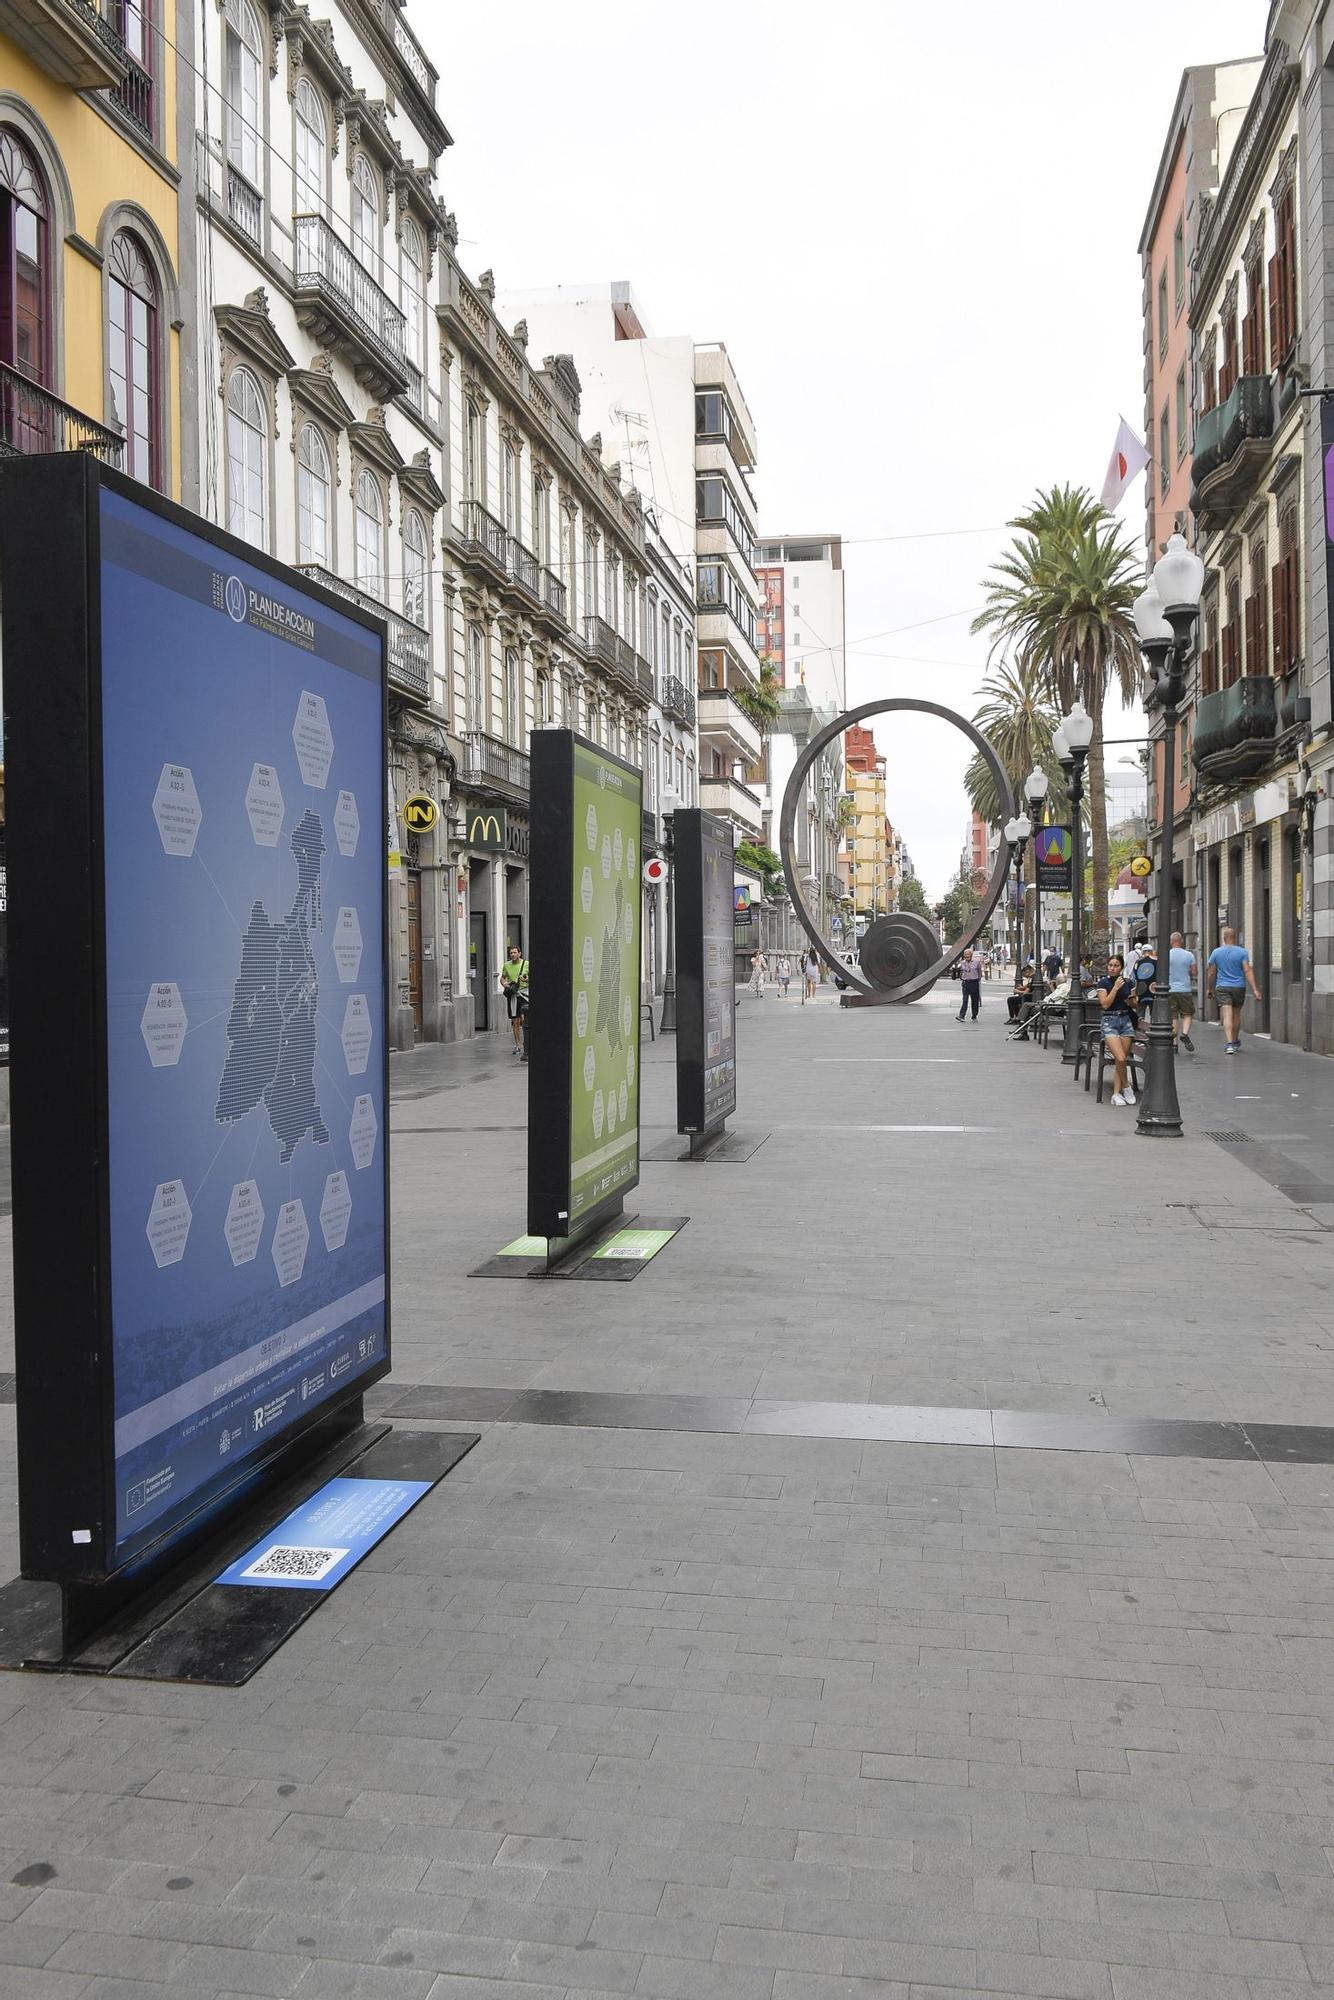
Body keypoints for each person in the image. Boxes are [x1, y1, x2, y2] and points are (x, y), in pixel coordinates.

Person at [1207, 926, 1262, 1053]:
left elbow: (1211, 972)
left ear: (1224, 938)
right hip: (1239, 987)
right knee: (1236, 1015)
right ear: (1235, 938)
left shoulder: (1216, 952)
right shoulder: (1242, 952)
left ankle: (1229, 1044)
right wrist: (1255, 990)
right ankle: (1236, 1040)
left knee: (1227, 1015)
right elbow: (1247, 970)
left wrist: (1209, 988)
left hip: (1222, 986)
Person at [1096, 951, 1139, 1106]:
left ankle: (1116, 1094)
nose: (1112, 968)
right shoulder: (1103, 983)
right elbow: (1105, 1004)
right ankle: (1127, 1087)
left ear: (1121, 967)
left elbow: (1135, 1004)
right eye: (1110, 965)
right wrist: (1115, 989)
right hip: (1110, 1021)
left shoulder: (1128, 983)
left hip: (1126, 1021)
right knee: (1120, 1058)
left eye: (1116, 966)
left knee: (1120, 1060)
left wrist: (1132, 1000)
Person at [1167, 931, 1197, 1052]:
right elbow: (1194, 972)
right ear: (1182, 941)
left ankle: (1174, 1045)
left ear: (1171, 942)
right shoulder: (1189, 955)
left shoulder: (1166, 955)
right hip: (1185, 989)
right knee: (1187, 1014)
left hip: (1170, 989)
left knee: (1173, 1017)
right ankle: (1184, 1034)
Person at [500, 943, 529, 1056]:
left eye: (514, 952)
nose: (512, 954)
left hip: (524, 994)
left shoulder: (526, 964)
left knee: (524, 1018)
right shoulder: (506, 965)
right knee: (515, 1022)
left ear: (519, 954)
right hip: (513, 995)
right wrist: (505, 984)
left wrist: (526, 979)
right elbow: (502, 978)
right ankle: (518, 1045)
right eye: (511, 953)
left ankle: (527, 1043)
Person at [956, 946, 983, 1022]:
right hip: (965, 983)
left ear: (971, 955)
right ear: (964, 956)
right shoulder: (962, 963)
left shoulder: (976, 962)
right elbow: (960, 972)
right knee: (965, 1000)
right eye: (966, 955)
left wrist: (977, 979)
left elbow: (979, 972)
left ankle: (974, 1016)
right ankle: (961, 1016)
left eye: (968, 955)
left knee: (975, 1000)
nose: (967, 956)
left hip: (974, 983)